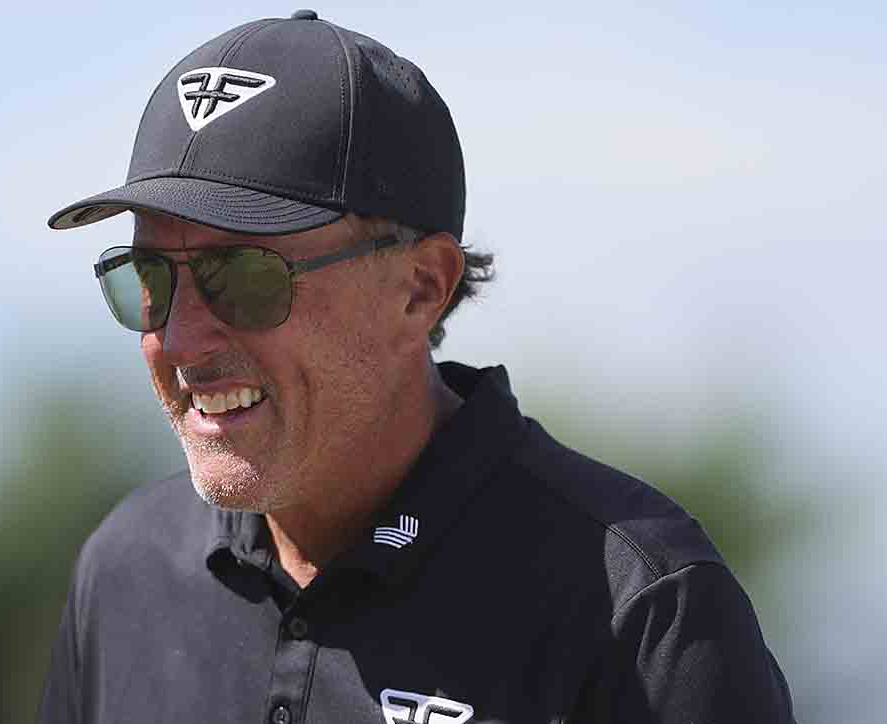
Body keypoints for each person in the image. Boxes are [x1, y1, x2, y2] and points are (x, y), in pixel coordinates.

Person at [38, 10, 795, 723]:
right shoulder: (125, 569)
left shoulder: (640, 607)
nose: (179, 339)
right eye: (150, 277)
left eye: (243, 275)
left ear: (421, 287)